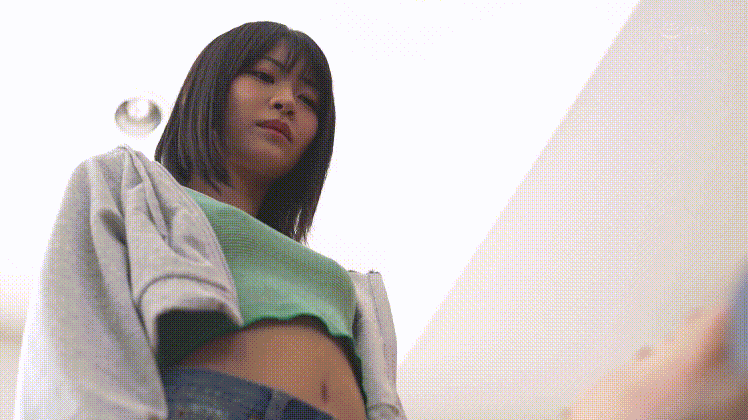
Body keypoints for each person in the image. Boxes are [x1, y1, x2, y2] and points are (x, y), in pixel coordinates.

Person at [12, 20, 748, 420]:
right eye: (264, 77)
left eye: (308, 99)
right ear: (211, 89)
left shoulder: (353, 285)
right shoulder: (126, 185)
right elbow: (78, 345)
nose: (287, 102)